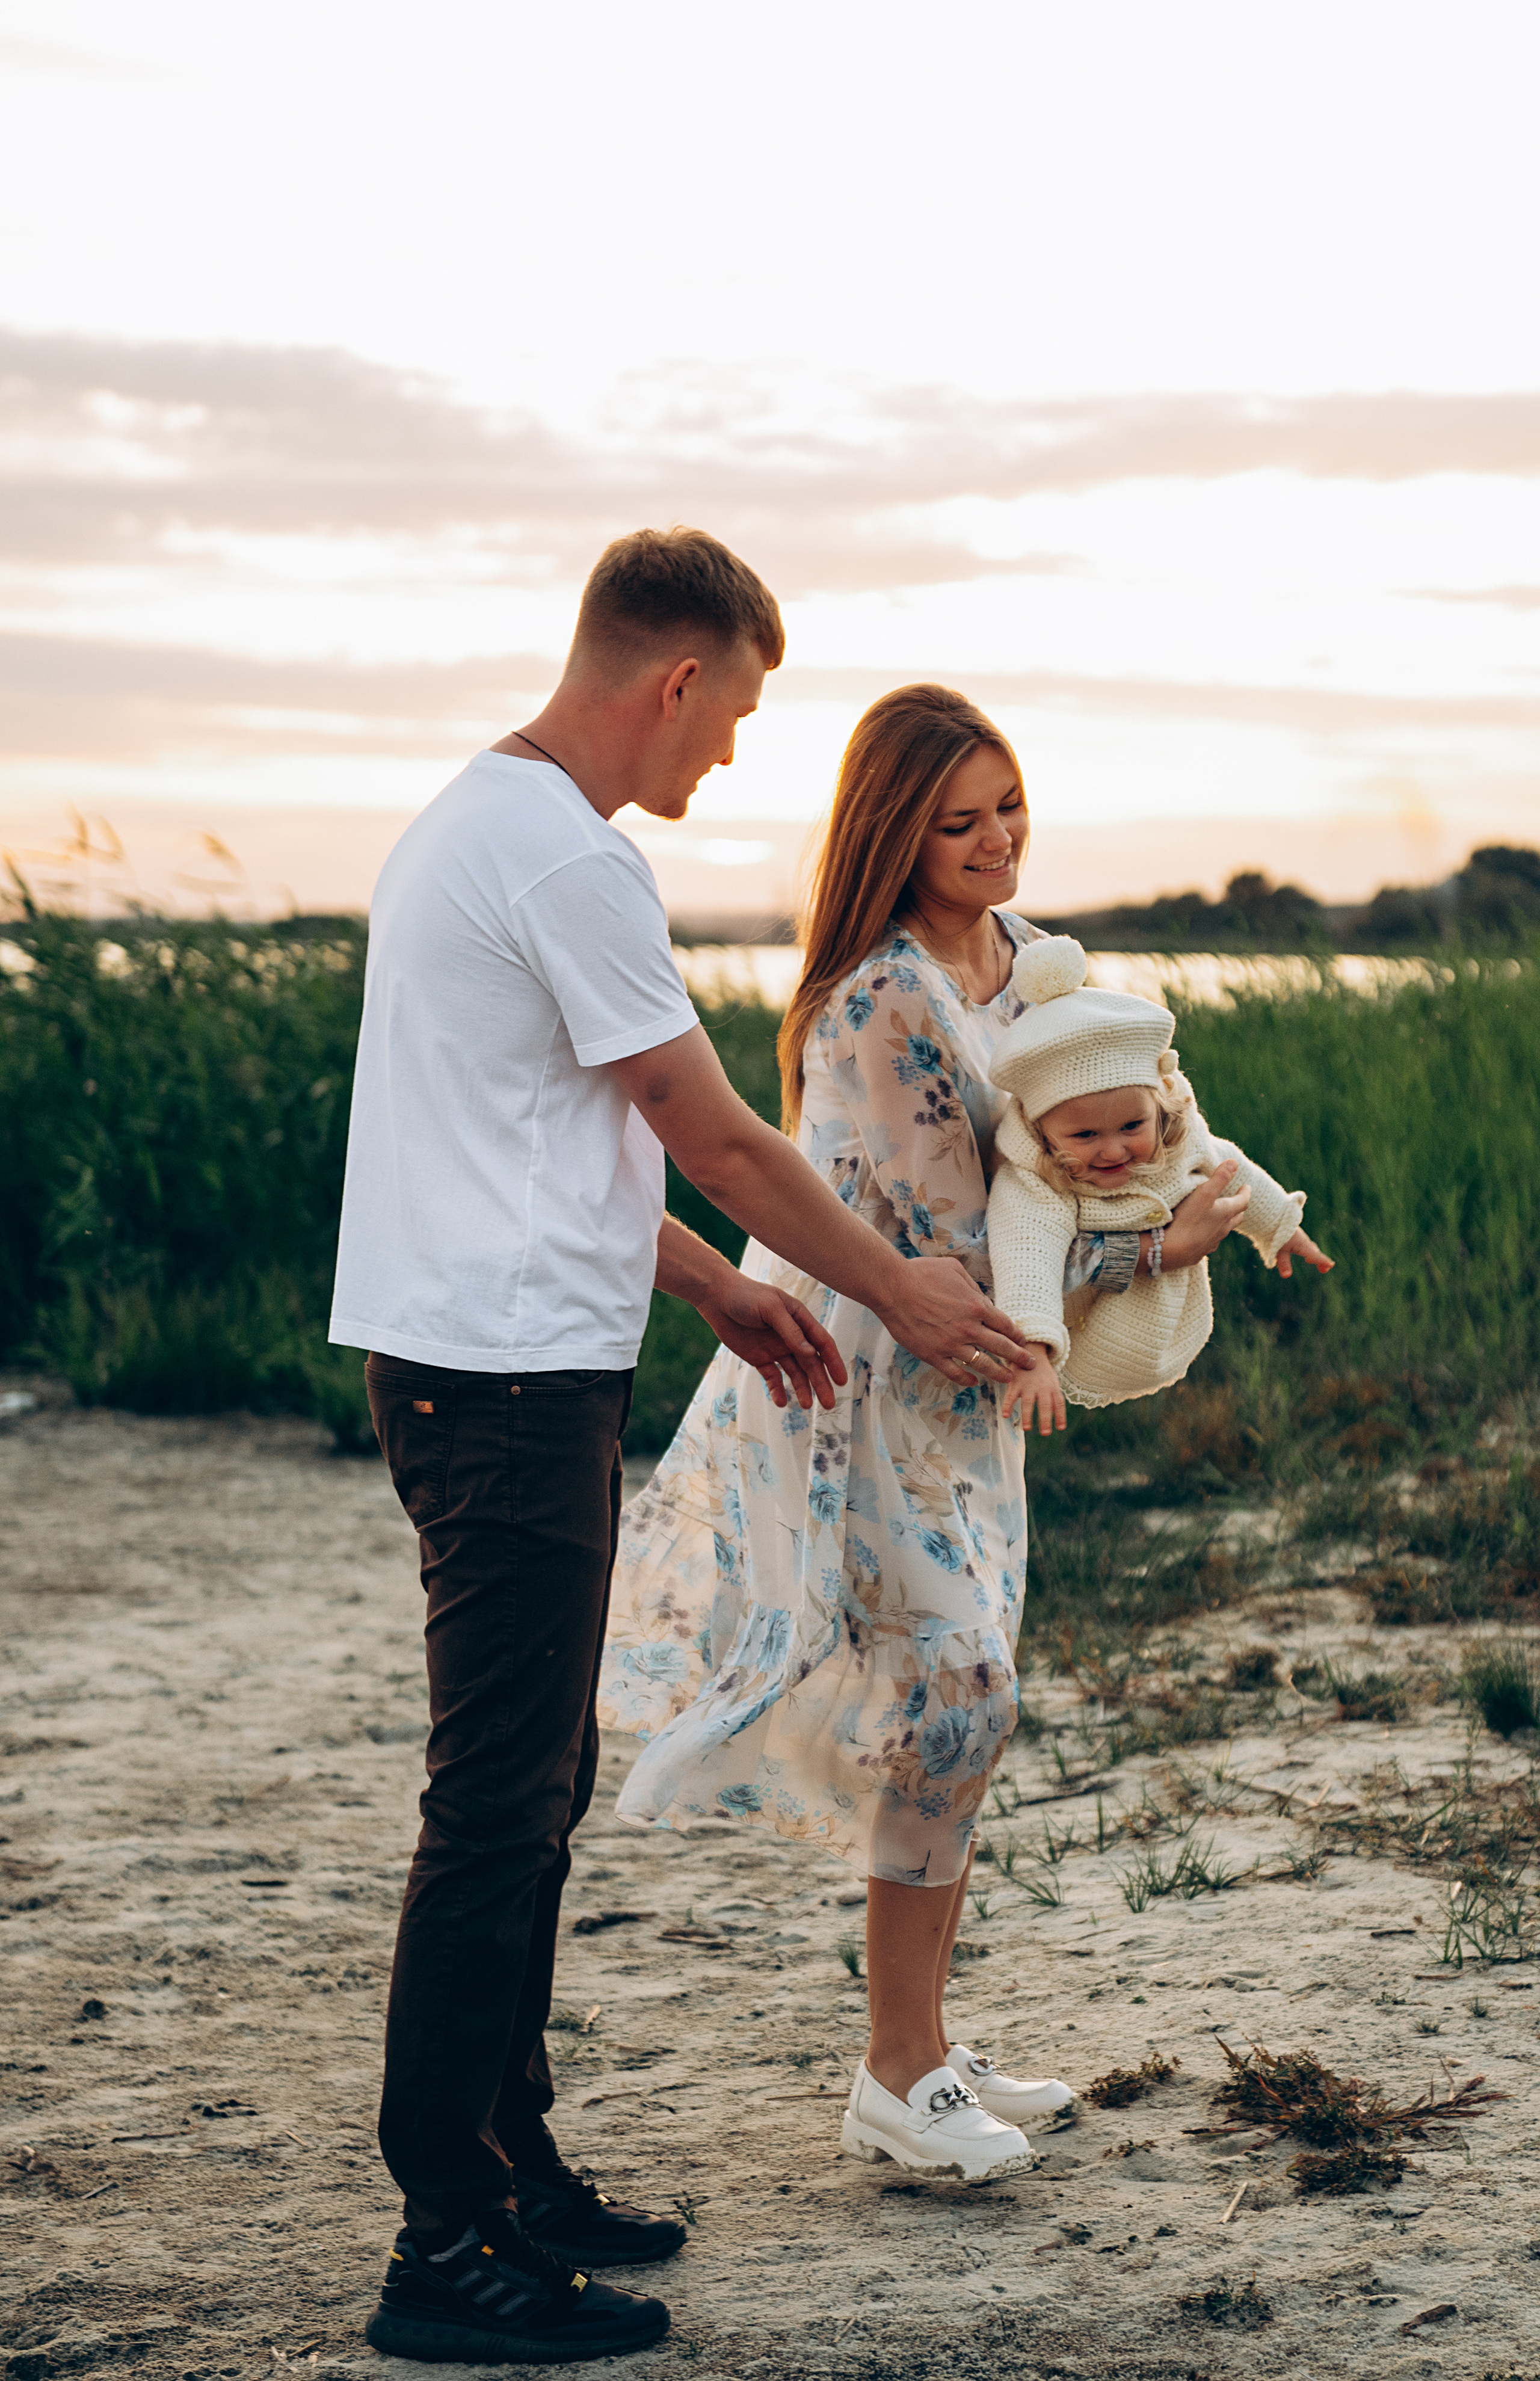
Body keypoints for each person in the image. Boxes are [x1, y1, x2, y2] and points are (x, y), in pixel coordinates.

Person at [328, 535, 1036, 2366]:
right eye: (730, 709)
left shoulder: (465, 827)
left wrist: (717, 1290)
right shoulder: (569, 855)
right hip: (499, 1379)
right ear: (674, 677)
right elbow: (709, 1123)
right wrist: (900, 1287)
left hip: (482, 1355)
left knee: (535, 1783)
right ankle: (447, 2242)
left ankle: (515, 2162)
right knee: (495, 1804)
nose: (724, 751)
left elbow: (539, 1133)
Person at [598, 684, 1253, 2187]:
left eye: (1006, 805)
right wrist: (1156, 1251)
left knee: (968, 1695)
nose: (992, 840)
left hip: (978, 1396)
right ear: (892, 832)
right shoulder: (882, 998)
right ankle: (894, 2069)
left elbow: (1113, 1135)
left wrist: (1217, 1202)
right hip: (872, 1374)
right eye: (954, 821)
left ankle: (921, 2050)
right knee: (956, 1689)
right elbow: (953, 1236)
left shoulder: (1037, 962)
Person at [987, 933, 1333, 1429]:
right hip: (1085, 1323)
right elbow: (1027, 1260)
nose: (1113, 1150)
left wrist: (1279, 1224)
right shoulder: (1037, 1182)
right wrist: (1034, 1353)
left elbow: (1228, 1169)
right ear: (1041, 1130)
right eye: (1085, 1135)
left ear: (1158, 1107)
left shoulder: (1177, 1138)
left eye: (1132, 1126)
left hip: (1164, 1316)